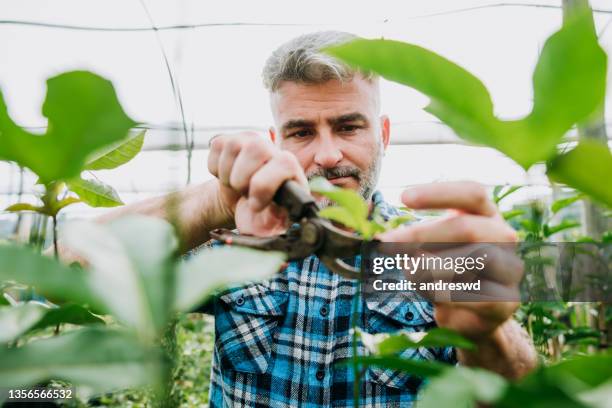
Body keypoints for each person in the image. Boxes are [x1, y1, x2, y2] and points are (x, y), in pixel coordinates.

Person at [96, 31, 537, 407]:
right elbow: (70, 263)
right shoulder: (238, 242)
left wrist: (490, 334)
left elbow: (523, 395)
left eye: (349, 127)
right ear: (276, 141)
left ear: (382, 134)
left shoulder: (434, 251)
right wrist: (218, 199)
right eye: (301, 132)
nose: (327, 156)